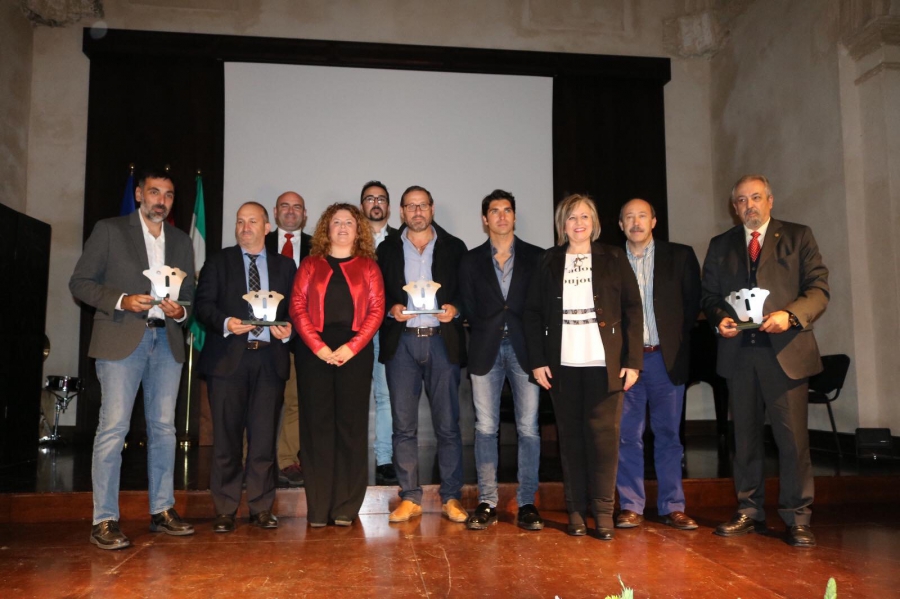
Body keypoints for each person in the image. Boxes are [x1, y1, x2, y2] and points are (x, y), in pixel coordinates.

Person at [69, 167, 195, 550]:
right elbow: (80, 283)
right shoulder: (110, 230)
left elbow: (190, 294)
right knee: (114, 430)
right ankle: (104, 518)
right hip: (122, 341)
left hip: (167, 342)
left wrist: (181, 313)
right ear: (140, 194)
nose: (161, 200)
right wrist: (122, 300)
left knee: (164, 430)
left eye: (169, 195)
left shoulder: (181, 241)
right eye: (154, 192)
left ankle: (162, 509)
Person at [702, 174, 829, 548]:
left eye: (756, 197)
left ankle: (797, 517)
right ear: (734, 206)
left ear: (770, 200)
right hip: (739, 355)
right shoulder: (721, 245)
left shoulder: (798, 236)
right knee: (745, 440)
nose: (749, 206)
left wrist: (789, 316)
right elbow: (709, 296)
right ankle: (748, 510)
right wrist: (718, 318)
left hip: (786, 353)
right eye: (741, 201)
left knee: (792, 442)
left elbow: (819, 289)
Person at [524, 193, 643, 540]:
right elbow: (531, 314)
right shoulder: (548, 261)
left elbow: (632, 310)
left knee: (605, 443)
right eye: (572, 217)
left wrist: (633, 362)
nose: (579, 223)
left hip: (604, 367)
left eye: (585, 217)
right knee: (571, 441)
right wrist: (537, 362)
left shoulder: (613, 257)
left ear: (595, 223)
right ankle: (576, 510)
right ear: (563, 224)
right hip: (562, 367)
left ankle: (603, 512)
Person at [195, 202, 295, 533]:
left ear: (268, 228)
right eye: (240, 221)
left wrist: (289, 329)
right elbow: (203, 307)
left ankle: (261, 507)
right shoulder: (218, 261)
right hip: (228, 361)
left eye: (253, 221)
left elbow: (296, 308)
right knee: (225, 440)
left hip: (269, 359)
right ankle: (224, 508)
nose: (245, 227)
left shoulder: (285, 266)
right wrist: (225, 322)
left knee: (263, 440)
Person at [377, 185, 469, 524]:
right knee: (403, 426)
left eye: (423, 205)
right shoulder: (386, 249)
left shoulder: (455, 247)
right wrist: (391, 307)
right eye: (410, 206)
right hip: (401, 342)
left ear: (432, 210)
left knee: (448, 426)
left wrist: (456, 308)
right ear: (401, 212)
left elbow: (468, 292)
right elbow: (377, 292)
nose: (417, 211)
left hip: (441, 341)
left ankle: (452, 497)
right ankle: (410, 497)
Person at [290, 203, 385, 526]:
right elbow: (297, 306)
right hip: (313, 352)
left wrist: (351, 347)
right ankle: (319, 507)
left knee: (350, 428)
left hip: (354, 354)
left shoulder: (370, 267)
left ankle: (345, 505)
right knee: (316, 429)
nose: (342, 227)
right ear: (325, 229)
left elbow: (376, 310)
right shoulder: (309, 264)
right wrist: (318, 347)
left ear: (358, 230)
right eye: (336, 222)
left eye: (349, 222)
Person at [459, 189, 544, 531]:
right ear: (485, 219)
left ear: (514, 216)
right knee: (485, 428)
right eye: (494, 211)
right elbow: (466, 305)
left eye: (507, 210)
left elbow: (540, 308)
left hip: (526, 351)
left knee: (528, 428)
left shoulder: (537, 257)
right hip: (485, 350)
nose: (502, 216)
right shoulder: (470, 260)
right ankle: (488, 502)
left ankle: (527, 503)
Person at [614, 198, 701, 531]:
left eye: (642, 216)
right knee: (627, 436)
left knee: (669, 435)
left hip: (666, 359)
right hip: (627, 363)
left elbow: (691, 307)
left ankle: (673, 505)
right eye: (628, 217)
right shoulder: (609, 260)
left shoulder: (679, 256)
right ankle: (632, 505)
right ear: (620, 225)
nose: (636, 222)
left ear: (654, 221)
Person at [264, 191, 311, 487]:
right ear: (275, 212)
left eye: (297, 207)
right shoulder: (259, 242)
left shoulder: (318, 247)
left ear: (305, 215)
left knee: (295, 402)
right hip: (262, 338)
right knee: (261, 402)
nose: (291, 212)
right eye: (285, 206)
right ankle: (252, 460)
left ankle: (286, 461)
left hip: (301, 338)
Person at [359, 180, 399, 485]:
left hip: (385, 331)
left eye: (381, 199)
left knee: (385, 396)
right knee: (353, 396)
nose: (376, 203)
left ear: (388, 206)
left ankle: (384, 459)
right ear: (362, 206)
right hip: (352, 332)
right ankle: (351, 457)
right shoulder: (349, 238)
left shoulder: (401, 241)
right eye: (370, 199)